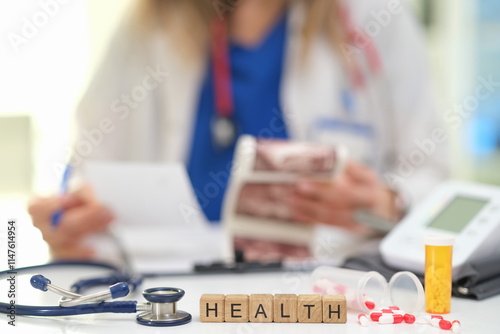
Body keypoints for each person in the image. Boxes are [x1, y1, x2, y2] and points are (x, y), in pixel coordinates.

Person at [29, 0, 448, 260]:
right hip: (172, 294)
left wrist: (390, 203)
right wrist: (69, 219)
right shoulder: (147, 23)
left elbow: (435, 179)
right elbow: (89, 165)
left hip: (327, 295)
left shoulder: (372, 16)